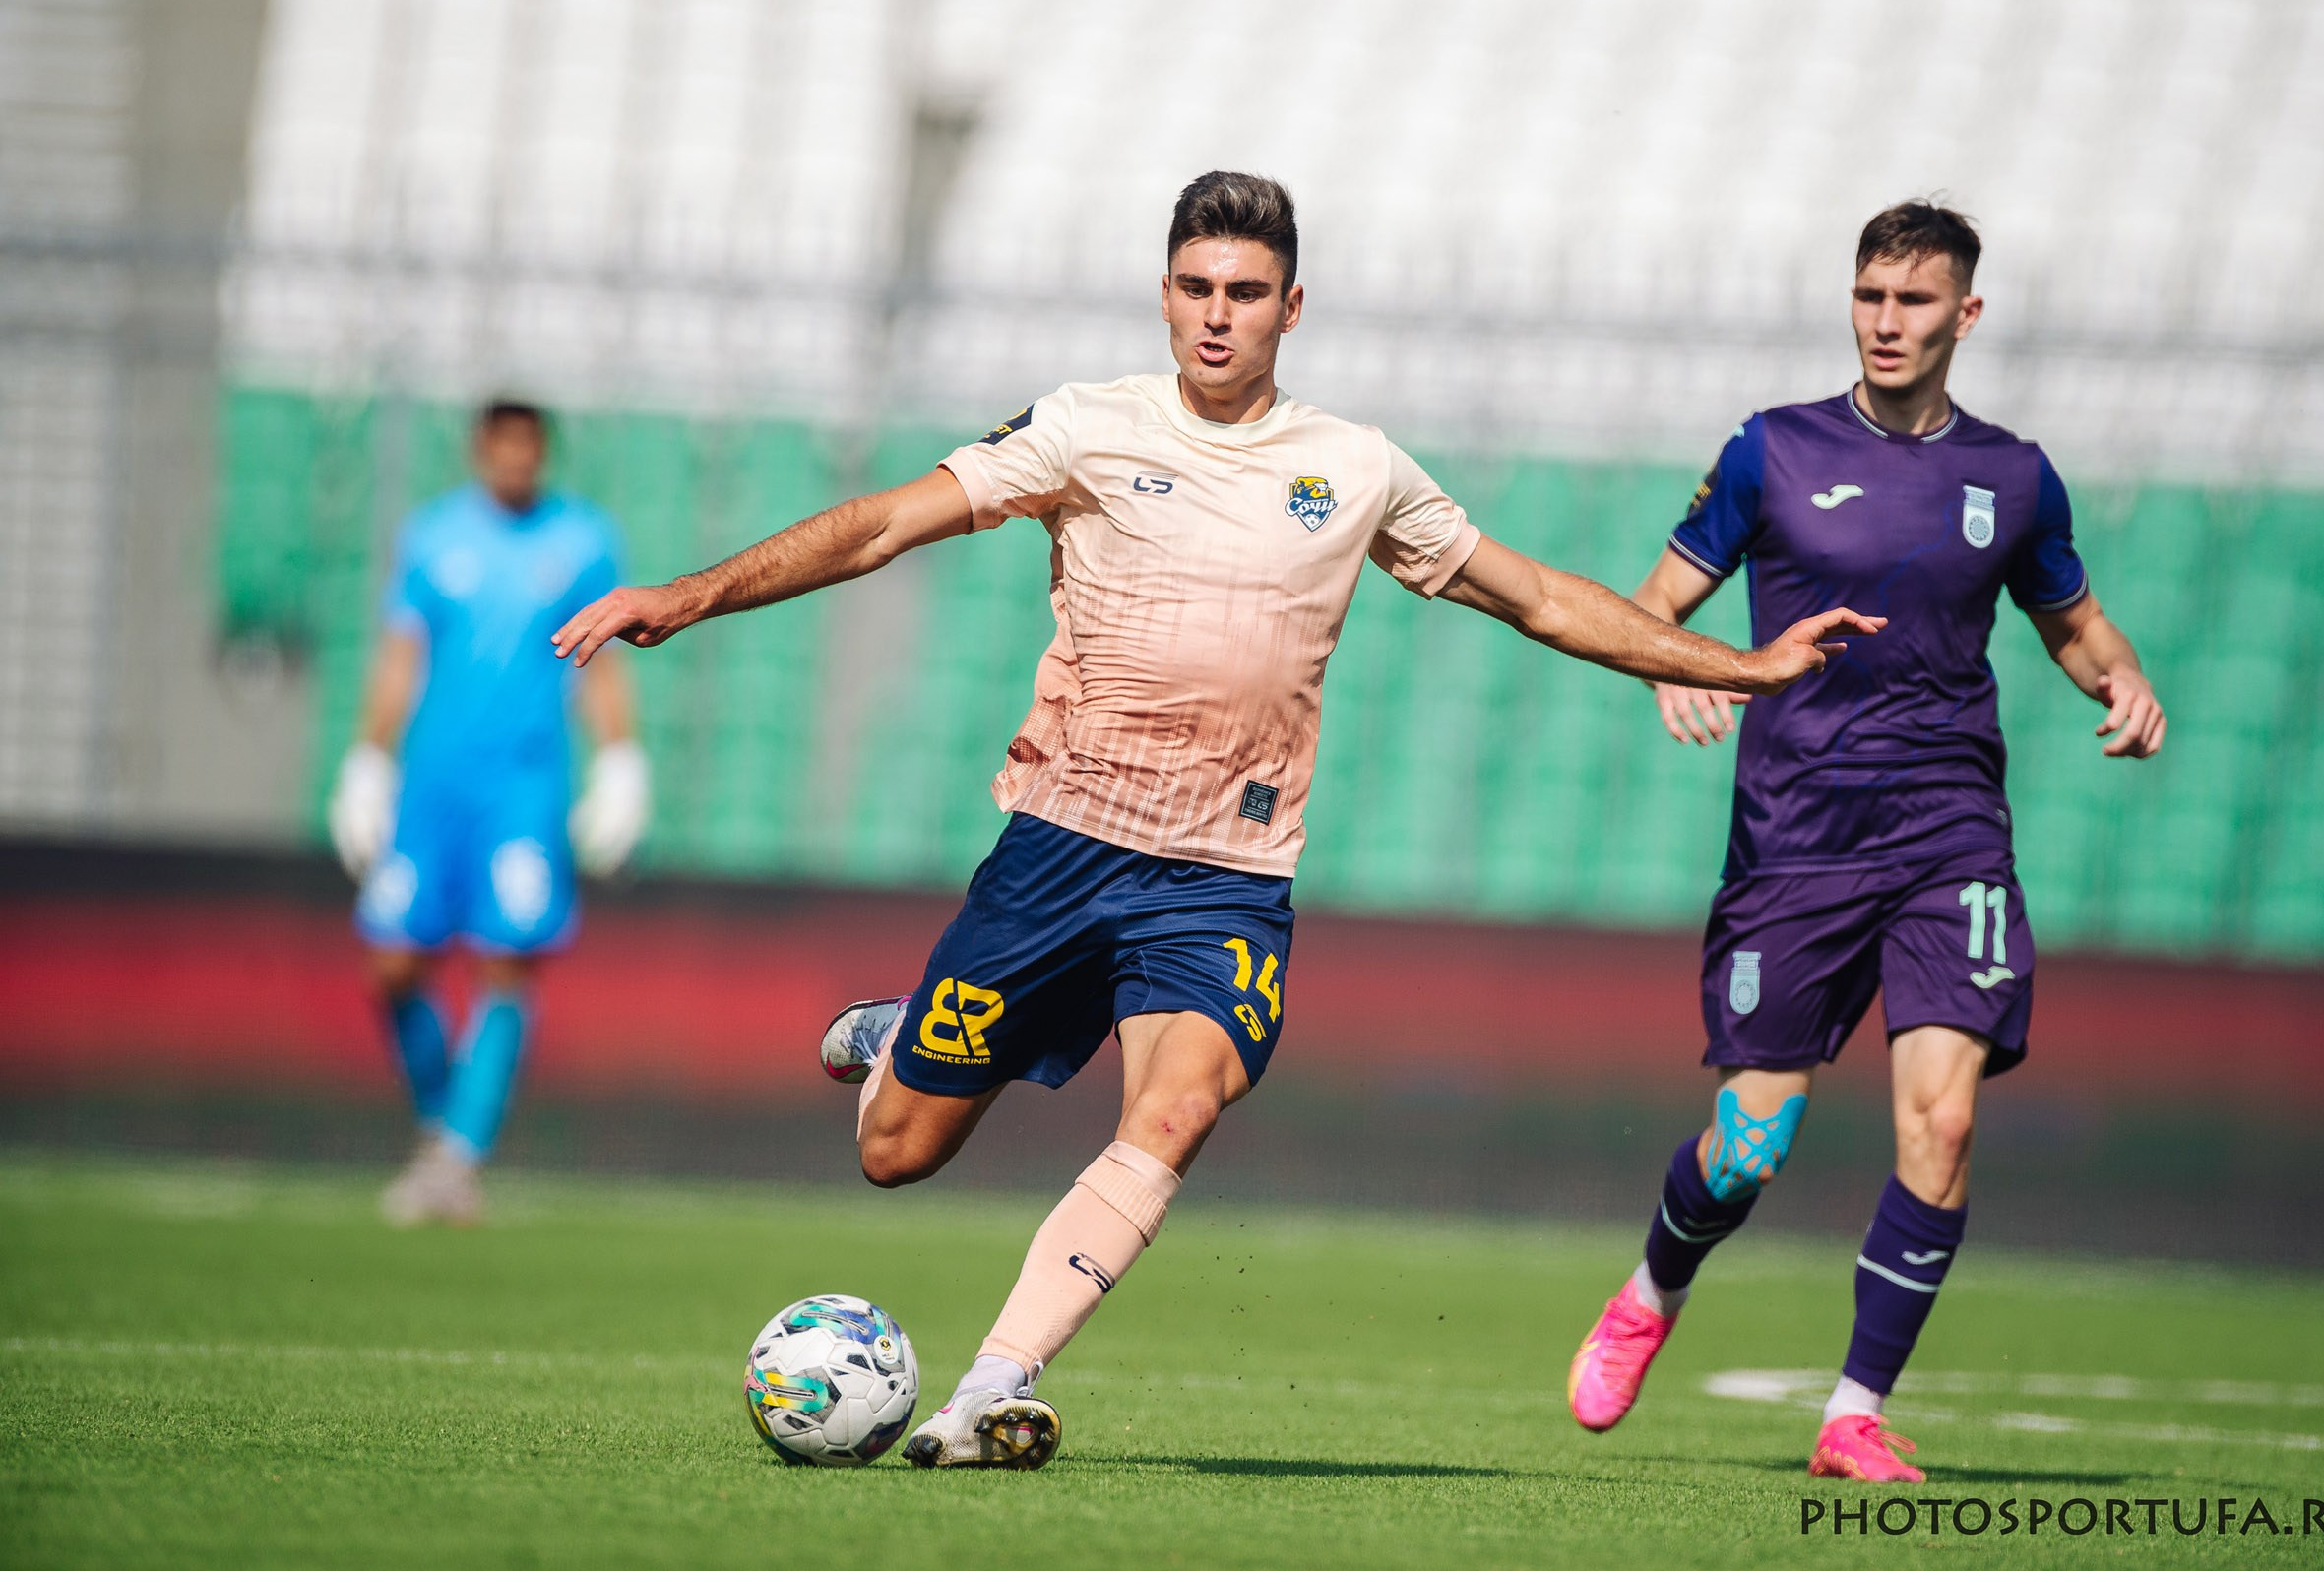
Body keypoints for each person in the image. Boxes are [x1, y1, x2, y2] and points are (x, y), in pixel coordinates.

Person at [553, 171, 1880, 1470]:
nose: (1216, 313)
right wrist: (692, 592)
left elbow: (1533, 596)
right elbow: (881, 526)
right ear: (1165, 292)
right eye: (1194, 285)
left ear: (1291, 306)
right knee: (898, 1152)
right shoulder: (1086, 427)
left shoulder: (1353, 469)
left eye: (1245, 290)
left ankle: (990, 1393)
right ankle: (909, 1037)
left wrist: (1738, 667)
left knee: (1178, 1107)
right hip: (1060, 852)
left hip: (1225, 876)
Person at [1563, 201, 2167, 1482]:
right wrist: (1691, 667)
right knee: (1749, 1148)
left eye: (1916, 302)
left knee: (1939, 1126)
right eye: (1872, 297)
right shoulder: (1771, 450)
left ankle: (1854, 1412)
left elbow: (2074, 619)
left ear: (1967, 315)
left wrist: (2121, 679)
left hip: (1950, 837)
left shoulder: (2013, 476)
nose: (1889, 322)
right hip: (1797, 844)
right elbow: (1657, 607)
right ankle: (1656, 1285)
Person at [330, 400, 649, 1225]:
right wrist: (369, 759)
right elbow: (403, 654)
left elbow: (600, 662)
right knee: (395, 962)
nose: (514, 461)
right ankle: (443, 1127)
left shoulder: (580, 539)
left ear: (541, 453)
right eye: (501, 447)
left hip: (523, 786)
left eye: (527, 449)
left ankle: (458, 1154)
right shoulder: (433, 536)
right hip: (432, 784)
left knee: (507, 961)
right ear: (480, 450)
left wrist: (619, 761)